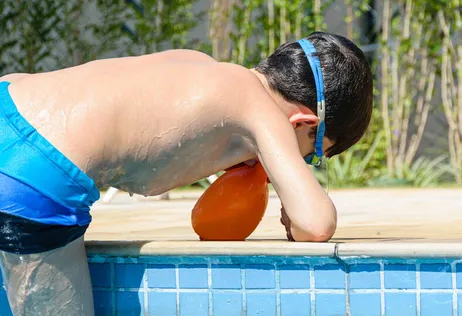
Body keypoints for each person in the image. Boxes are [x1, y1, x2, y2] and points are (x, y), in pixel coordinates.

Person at [0, 31, 373, 315]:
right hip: (35, 171)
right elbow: (315, 225)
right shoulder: (260, 110)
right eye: (311, 156)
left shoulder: (198, 64)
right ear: (303, 123)